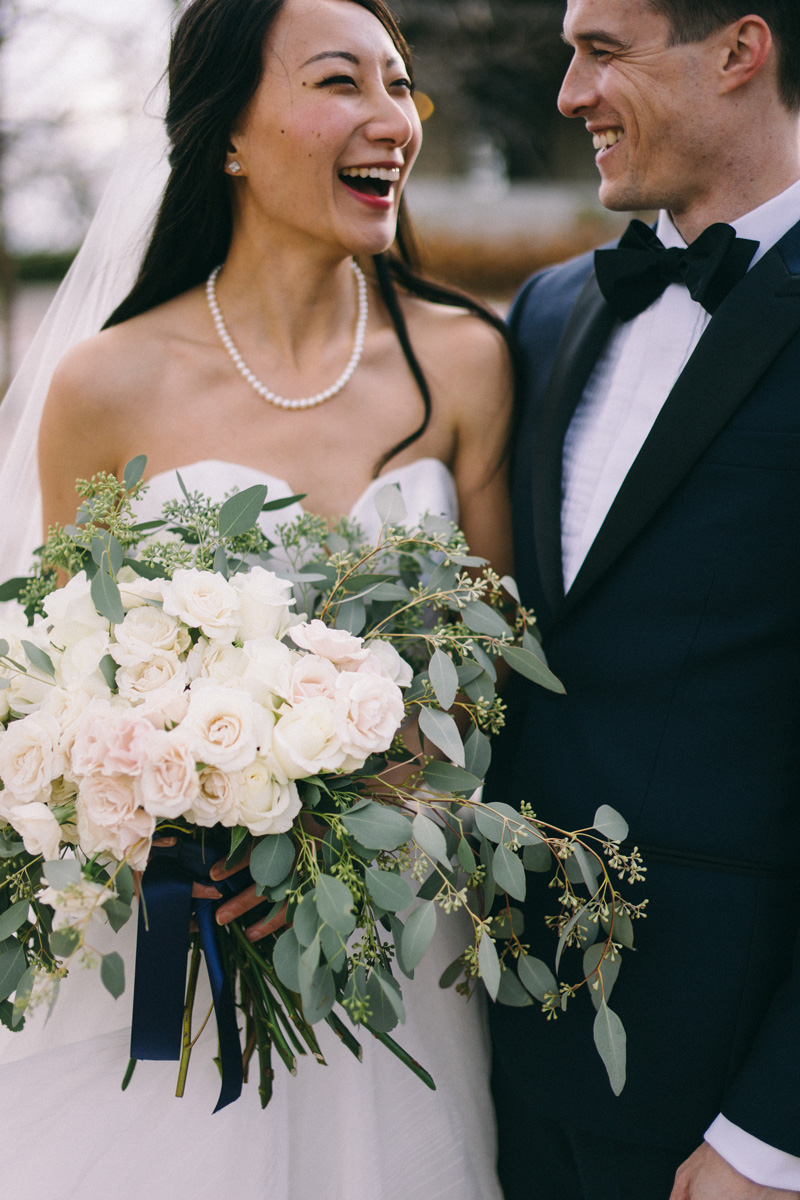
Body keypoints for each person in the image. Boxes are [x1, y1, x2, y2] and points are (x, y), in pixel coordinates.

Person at [0, 1, 513, 1196]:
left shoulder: (466, 364)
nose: (392, 120)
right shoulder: (107, 387)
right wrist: (176, 813)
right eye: (344, 84)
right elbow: (70, 682)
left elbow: (485, 689)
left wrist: (353, 839)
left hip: (387, 947)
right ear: (227, 134)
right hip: (178, 935)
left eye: (400, 87)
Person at [487, 1, 800, 1198]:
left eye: (601, 51)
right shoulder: (548, 309)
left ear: (737, 49)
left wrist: (767, 1135)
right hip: (496, 1052)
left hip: (718, 1103)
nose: (566, 93)